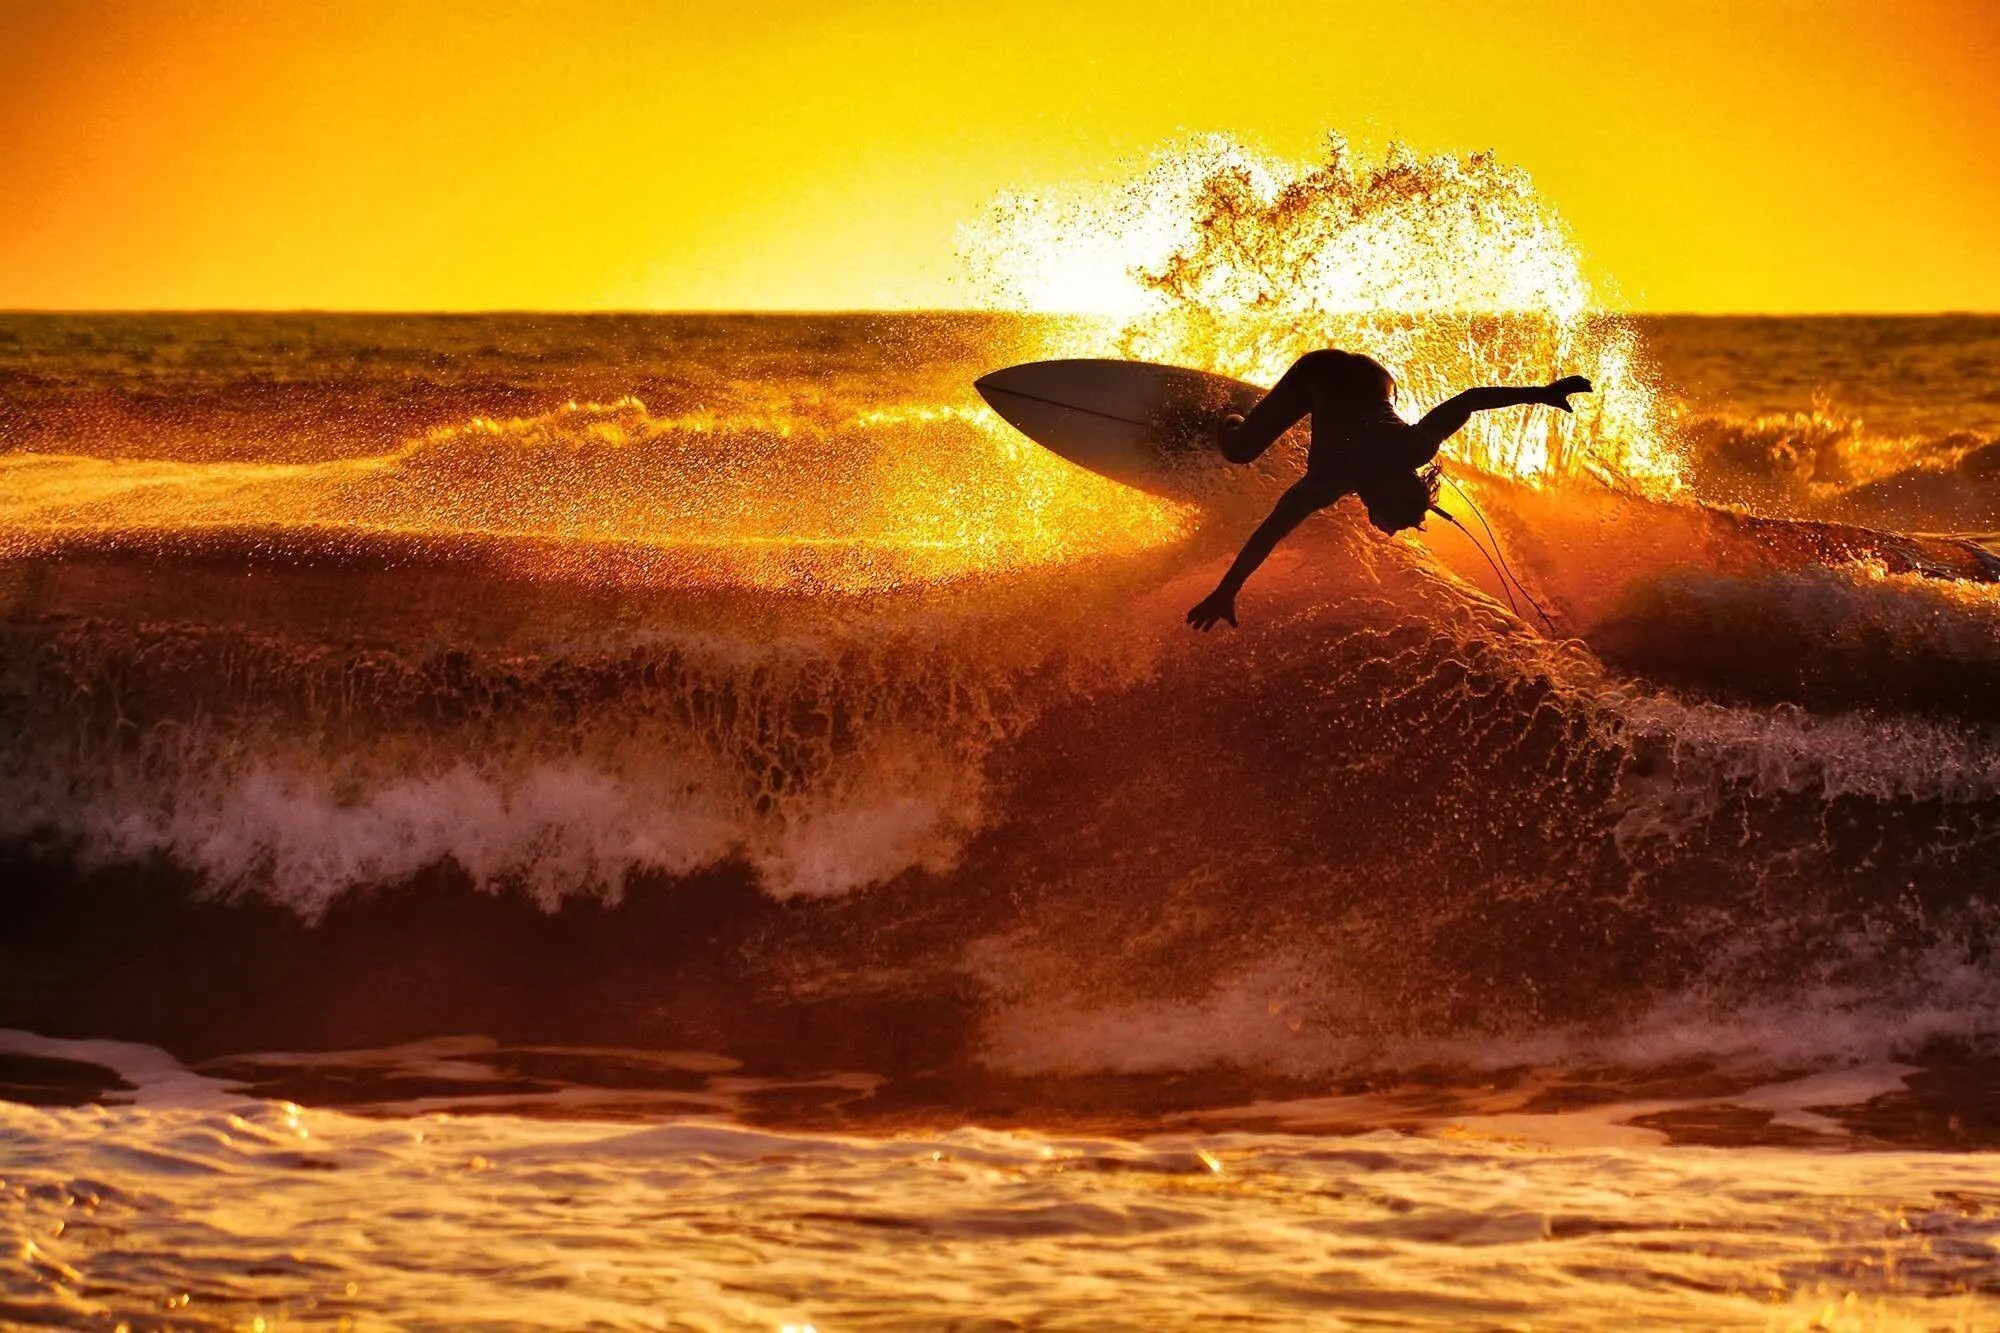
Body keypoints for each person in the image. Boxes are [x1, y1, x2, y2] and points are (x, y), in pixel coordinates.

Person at [1185, 350, 1592, 630]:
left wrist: (1541, 393)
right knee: (1240, 452)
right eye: (1392, 522)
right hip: (1320, 370)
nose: (1390, 531)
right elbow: (1268, 533)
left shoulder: (1415, 447)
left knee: (1348, 417)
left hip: (1379, 377)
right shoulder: (1327, 481)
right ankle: (1229, 417)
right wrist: (1225, 592)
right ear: (1380, 497)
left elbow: (1469, 400)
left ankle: (1302, 414)